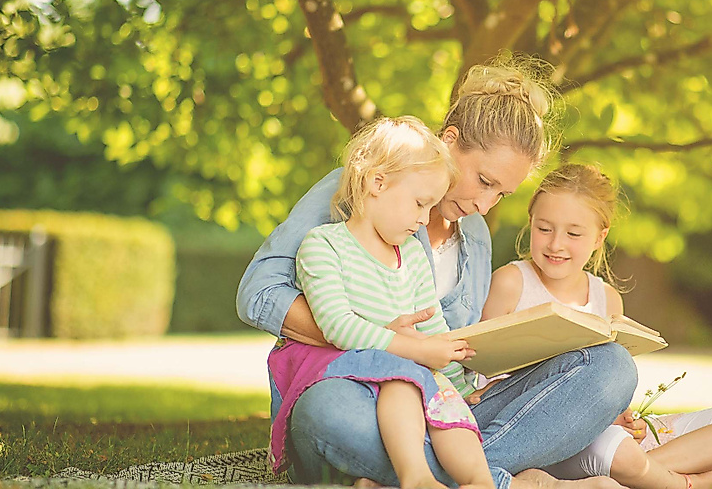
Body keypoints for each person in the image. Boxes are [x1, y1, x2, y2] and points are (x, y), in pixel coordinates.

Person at [236, 53, 637, 489]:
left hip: (443, 406)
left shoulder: (476, 234)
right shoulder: (359, 187)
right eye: (484, 181)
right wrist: (382, 340)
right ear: (450, 141)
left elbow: (451, 345)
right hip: (360, 392)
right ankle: (492, 478)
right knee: (327, 411)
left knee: (611, 366)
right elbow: (259, 293)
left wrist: (491, 378)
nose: (484, 205)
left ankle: (426, 475)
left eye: (502, 195)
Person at [480, 164, 712, 489]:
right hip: (539, 434)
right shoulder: (511, 282)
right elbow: (482, 375)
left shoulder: (607, 298)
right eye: (544, 229)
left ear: (599, 237)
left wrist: (623, 418)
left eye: (573, 234)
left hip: (600, 436)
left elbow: (609, 389)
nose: (556, 244)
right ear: (531, 223)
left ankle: (640, 473)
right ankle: (690, 482)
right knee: (617, 450)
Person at [269, 116, 490, 489]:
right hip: (349, 384)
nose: (424, 220)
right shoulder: (324, 246)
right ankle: (416, 478)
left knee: (445, 400)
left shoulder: (412, 256)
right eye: (420, 204)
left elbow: (433, 329)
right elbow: (337, 326)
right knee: (402, 378)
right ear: (377, 183)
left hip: (405, 390)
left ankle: (481, 481)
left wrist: (462, 386)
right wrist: (415, 350)